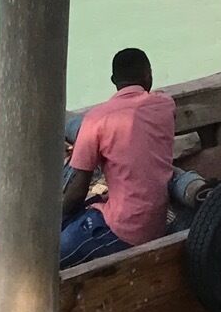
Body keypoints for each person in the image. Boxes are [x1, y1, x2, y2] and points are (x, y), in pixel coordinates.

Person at [60, 47, 179, 268]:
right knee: (91, 207)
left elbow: (76, 193)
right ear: (149, 75)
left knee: (46, 256)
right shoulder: (166, 106)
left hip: (124, 230)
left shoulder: (96, 119)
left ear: (114, 80)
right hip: (155, 223)